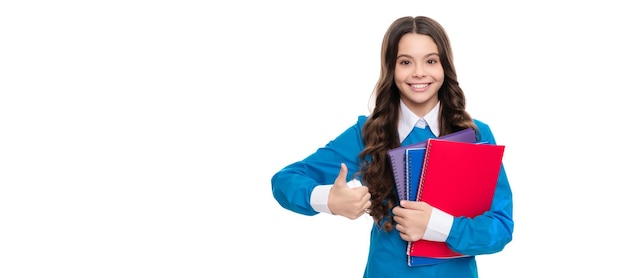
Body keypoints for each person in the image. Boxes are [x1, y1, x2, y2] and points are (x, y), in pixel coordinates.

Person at [271, 15, 513, 277]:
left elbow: (500, 228)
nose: (419, 72)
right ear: (391, 68)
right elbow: (285, 181)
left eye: (430, 60)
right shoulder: (367, 133)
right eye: (405, 62)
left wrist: (437, 225)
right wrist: (329, 200)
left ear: (445, 67)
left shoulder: (475, 135)